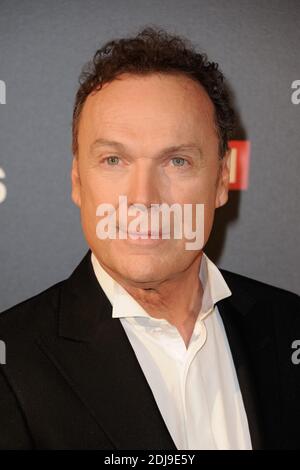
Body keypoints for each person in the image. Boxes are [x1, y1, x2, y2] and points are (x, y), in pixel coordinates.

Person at [0, 26, 299, 450]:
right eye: (114, 159)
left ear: (221, 179)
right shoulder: (10, 362)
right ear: (77, 181)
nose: (142, 200)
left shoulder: (290, 326)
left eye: (177, 160)